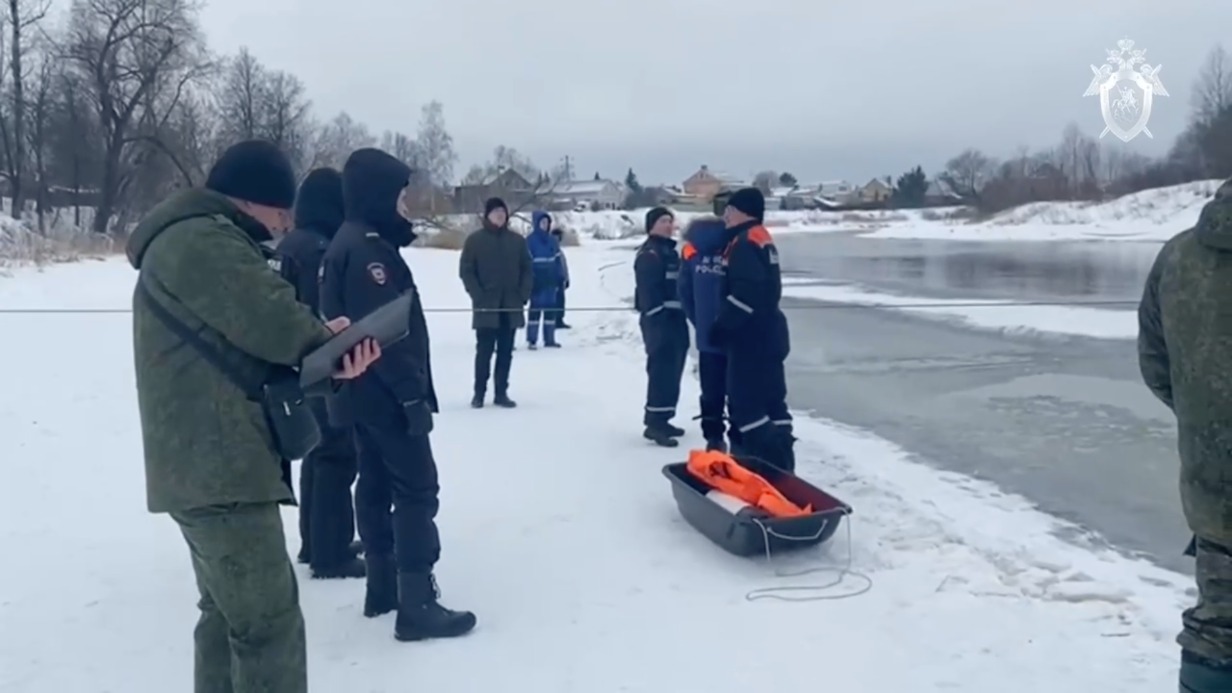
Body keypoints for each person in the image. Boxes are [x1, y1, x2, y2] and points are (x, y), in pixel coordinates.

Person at [127, 139, 380, 692]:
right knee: (268, 626)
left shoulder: (185, 241)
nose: (282, 223)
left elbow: (246, 331)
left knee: (227, 618)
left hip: (200, 468)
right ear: (252, 200)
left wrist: (321, 339)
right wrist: (326, 344)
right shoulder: (204, 241)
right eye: (278, 210)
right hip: (221, 467)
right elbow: (272, 319)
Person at [320, 147, 476, 642]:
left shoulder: (350, 242)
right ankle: (417, 602)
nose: (405, 204)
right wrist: (411, 396)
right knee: (415, 490)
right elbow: (385, 336)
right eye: (400, 194)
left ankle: (384, 588)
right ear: (378, 195)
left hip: (363, 394)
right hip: (384, 392)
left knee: (376, 483)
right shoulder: (367, 252)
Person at [1138, 178, 1232, 692]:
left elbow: (1157, 366)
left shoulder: (1178, 258)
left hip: (1215, 494)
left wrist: (1210, 423)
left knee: (1218, 630)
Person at [276, 167, 365, 579]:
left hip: (296, 367)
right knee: (336, 456)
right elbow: (321, 311)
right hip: (320, 363)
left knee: (316, 454)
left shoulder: (291, 243)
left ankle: (317, 542)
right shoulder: (316, 250)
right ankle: (331, 552)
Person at [710, 187, 795, 471]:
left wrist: (723, 326)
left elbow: (747, 293)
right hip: (771, 333)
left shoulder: (744, 242)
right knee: (774, 403)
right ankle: (784, 467)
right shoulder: (762, 238)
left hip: (751, 337)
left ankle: (765, 466)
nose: (725, 216)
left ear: (742, 212)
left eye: (729, 210)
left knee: (746, 405)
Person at [678, 196, 742, 453]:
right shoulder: (738, 242)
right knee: (739, 388)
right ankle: (740, 438)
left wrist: (700, 321)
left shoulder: (691, 249)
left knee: (711, 390)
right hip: (738, 333)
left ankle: (714, 438)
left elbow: (684, 292)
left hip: (707, 335)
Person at [459, 197, 532, 408]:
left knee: (506, 352)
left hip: (510, 305)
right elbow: (466, 271)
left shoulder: (517, 241)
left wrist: (522, 295)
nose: (500, 214)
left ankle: (501, 392)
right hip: (486, 306)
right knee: (484, 352)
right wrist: (478, 295)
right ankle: (479, 393)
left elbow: (527, 269)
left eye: (503, 211)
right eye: (495, 211)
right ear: (487, 215)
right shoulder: (475, 241)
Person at [634, 206, 690, 447]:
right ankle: (654, 424)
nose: (669, 224)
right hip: (660, 322)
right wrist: (659, 316)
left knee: (674, 369)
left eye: (670, 220)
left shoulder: (670, 253)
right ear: (652, 226)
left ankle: (665, 417)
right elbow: (648, 293)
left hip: (676, 319)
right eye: (663, 221)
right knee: (661, 371)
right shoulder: (650, 255)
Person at [526, 210, 565, 349]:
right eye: (542, 222)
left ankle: (550, 339)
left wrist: (561, 277)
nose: (545, 225)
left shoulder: (552, 241)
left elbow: (558, 261)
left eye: (547, 222)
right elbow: (525, 264)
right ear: (536, 224)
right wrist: (529, 281)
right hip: (537, 281)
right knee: (535, 312)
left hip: (550, 281)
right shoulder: (530, 241)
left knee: (550, 312)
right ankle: (532, 340)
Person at [550, 225, 571, 329]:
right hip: (553, 280)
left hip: (561, 279)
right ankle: (554, 320)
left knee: (561, 301)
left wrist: (566, 278)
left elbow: (564, 266)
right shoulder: (551, 249)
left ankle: (559, 319)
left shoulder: (559, 250)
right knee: (555, 301)